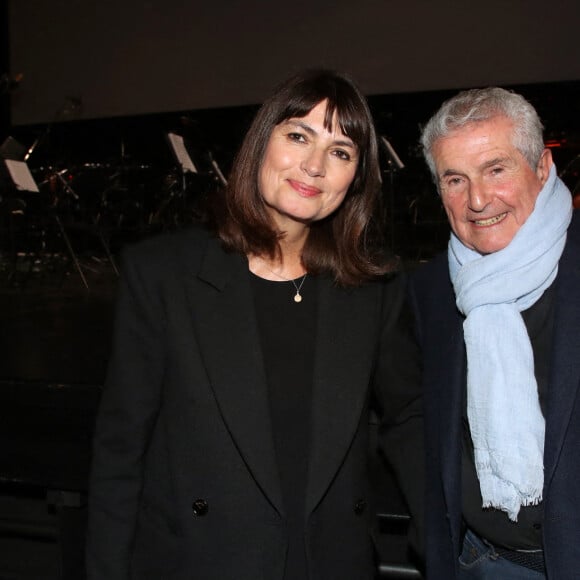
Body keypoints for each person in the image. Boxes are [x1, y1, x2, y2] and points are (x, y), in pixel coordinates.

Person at [86, 69, 423, 580]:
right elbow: (120, 452)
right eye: (298, 136)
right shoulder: (164, 275)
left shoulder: (372, 289)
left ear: (355, 177)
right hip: (200, 562)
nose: (314, 167)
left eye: (340, 152)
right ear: (260, 143)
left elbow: (409, 418)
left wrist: (446, 534)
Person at [410, 86, 579, 579]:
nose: (478, 200)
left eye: (496, 169)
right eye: (454, 180)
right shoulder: (432, 290)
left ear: (542, 167)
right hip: (478, 562)